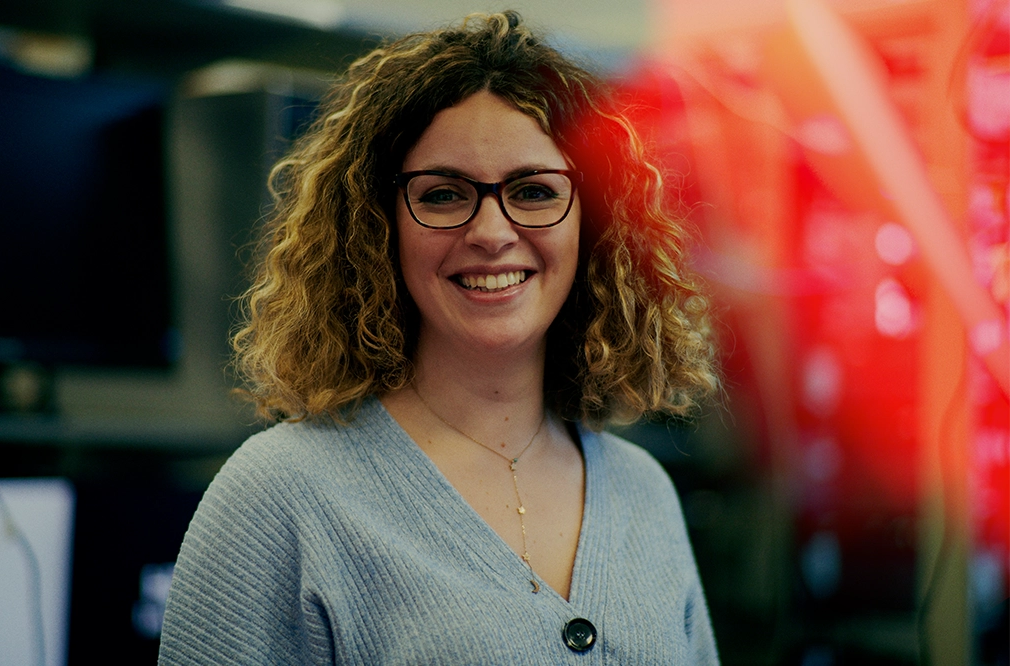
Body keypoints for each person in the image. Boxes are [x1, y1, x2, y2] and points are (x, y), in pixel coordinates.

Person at [159, 10, 719, 665]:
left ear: (591, 222)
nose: (490, 231)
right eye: (446, 194)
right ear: (379, 225)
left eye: (534, 190)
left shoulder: (643, 494)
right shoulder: (278, 497)